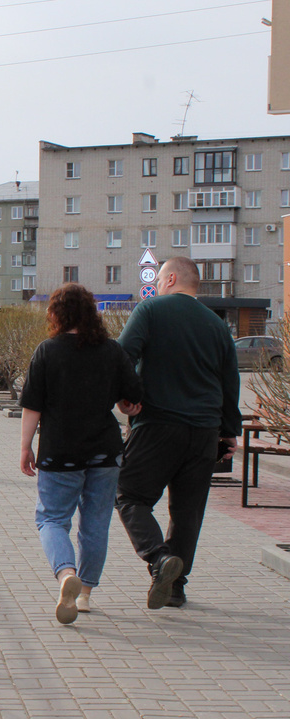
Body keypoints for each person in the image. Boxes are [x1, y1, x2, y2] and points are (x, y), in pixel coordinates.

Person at [114, 256, 241, 609]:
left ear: (170, 279)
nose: (155, 286)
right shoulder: (217, 325)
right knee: (188, 512)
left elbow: (122, 357)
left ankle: (159, 559)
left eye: (158, 280)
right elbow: (230, 381)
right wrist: (230, 431)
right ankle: (175, 588)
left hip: (156, 425)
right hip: (204, 433)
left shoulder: (150, 310)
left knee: (128, 495)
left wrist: (126, 396)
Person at [19, 284, 143, 623]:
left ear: (56, 314)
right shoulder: (112, 350)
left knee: (51, 519)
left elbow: (33, 405)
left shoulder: (47, 351)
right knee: (96, 524)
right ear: (91, 313)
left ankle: (66, 574)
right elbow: (133, 397)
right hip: (105, 451)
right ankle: (85, 594)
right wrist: (125, 403)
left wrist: (26, 447)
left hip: (60, 451)